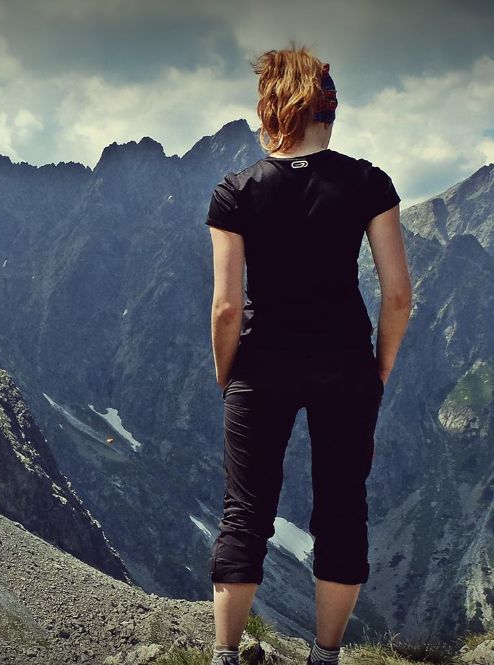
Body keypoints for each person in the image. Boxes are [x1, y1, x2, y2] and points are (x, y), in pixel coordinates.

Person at [204, 43, 412, 665]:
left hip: (261, 364)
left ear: (271, 111)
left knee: (245, 513)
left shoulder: (235, 192)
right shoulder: (369, 183)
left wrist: (226, 371)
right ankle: (325, 657)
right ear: (330, 111)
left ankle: (224, 655)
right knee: (343, 510)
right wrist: (378, 367)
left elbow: (226, 307)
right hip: (345, 361)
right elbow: (398, 295)